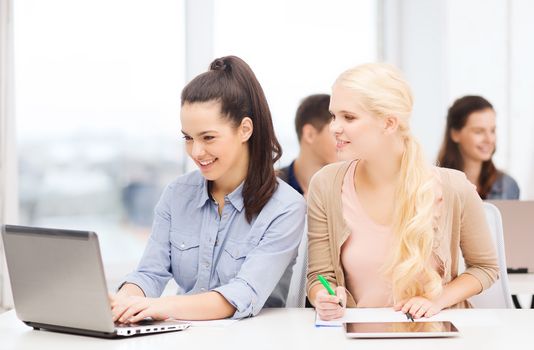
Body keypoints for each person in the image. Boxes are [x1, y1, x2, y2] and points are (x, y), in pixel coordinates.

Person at [110, 56, 306, 322]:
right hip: (185, 337)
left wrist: (157, 306)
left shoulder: (285, 207)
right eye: (188, 138)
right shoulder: (177, 194)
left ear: (245, 129)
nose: (196, 151)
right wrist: (126, 300)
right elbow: (149, 273)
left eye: (208, 137)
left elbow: (242, 293)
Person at [306, 63, 499, 321]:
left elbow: (486, 268)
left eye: (348, 117)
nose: (334, 127)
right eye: (333, 116)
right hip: (359, 336)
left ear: (388, 123)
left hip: (433, 333)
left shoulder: (454, 188)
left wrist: (437, 300)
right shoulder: (326, 185)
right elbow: (319, 276)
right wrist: (323, 296)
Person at [437, 95, 520, 199]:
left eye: (492, 130)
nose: (489, 139)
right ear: (455, 134)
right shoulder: (433, 185)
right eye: (479, 131)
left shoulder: (508, 186)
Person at [278, 94, 337, 198]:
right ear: (309, 134)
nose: (343, 140)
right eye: (335, 132)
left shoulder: (348, 189)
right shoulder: (271, 188)